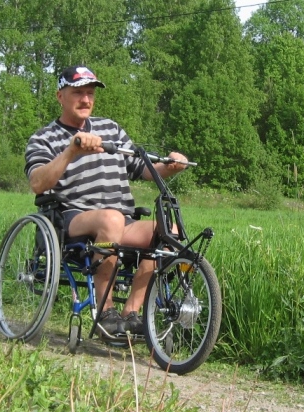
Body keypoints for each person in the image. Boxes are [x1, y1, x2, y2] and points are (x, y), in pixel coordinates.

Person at [24, 65, 188, 337]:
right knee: (110, 218)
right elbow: (37, 183)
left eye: (90, 93)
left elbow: (140, 168)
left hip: (122, 220)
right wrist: (70, 152)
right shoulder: (44, 138)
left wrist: (171, 166)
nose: (86, 99)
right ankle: (105, 311)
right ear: (60, 96)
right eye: (78, 93)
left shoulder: (110, 128)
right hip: (72, 219)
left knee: (168, 231)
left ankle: (132, 313)